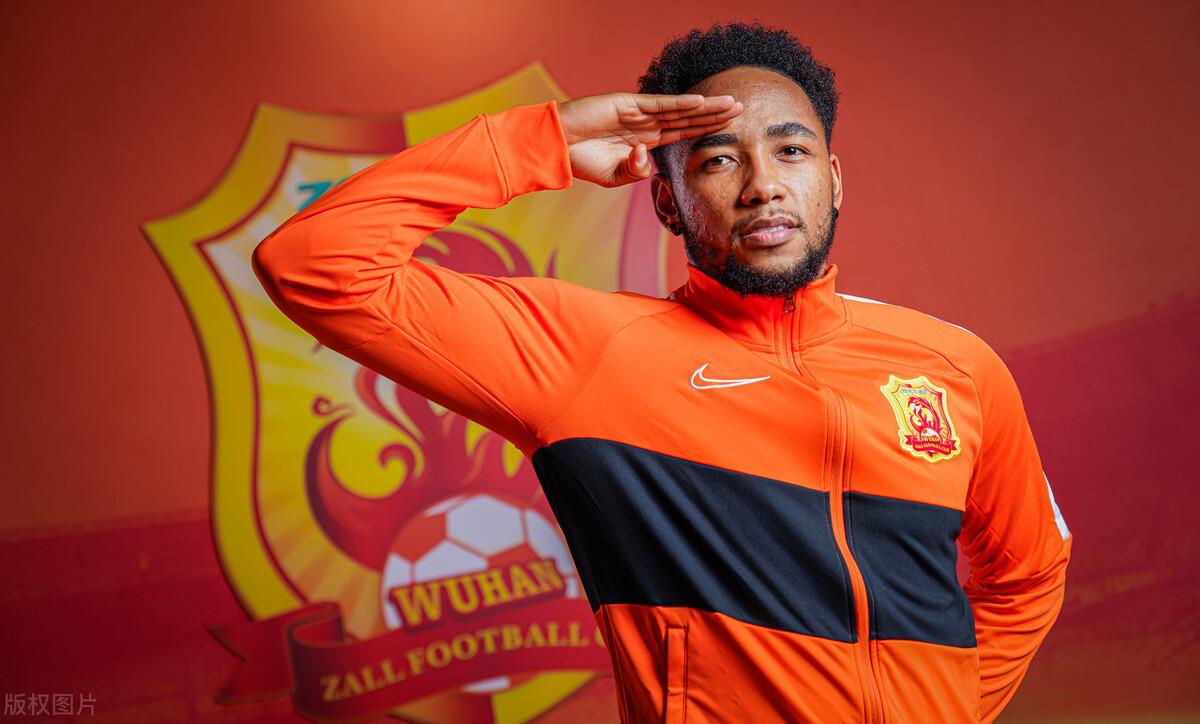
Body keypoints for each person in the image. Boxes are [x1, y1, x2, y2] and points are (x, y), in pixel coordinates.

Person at [252, 21, 1072, 724]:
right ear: (666, 202)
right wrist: (543, 139)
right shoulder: (583, 354)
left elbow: (1030, 572)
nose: (763, 186)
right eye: (717, 162)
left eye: (791, 150)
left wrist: (951, 709)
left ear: (833, 179)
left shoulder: (955, 366)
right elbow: (313, 264)